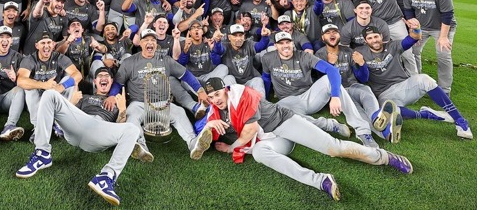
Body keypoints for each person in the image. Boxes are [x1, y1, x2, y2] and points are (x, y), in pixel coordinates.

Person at [192, 78, 413, 201]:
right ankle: (321, 181)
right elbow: (203, 132)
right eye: (211, 97)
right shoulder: (215, 109)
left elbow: (249, 131)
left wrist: (231, 148)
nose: (215, 100)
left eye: (218, 94)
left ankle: (384, 157)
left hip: (284, 123)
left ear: (227, 90)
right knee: (259, 154)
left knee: (333, 149)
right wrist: (209, 125)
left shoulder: (244, 94)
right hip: (271, 140)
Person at [15, 67, 147, 206]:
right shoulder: (84, 97)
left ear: (111, 81)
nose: (103, 77)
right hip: (78, 125)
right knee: (50, 94)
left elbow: (120, 129)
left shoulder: (116, 102)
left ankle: (106, 177)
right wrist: (72, 102)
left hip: (100, 131)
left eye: (107, 76)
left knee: (132, 129)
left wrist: (122, 110)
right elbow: (64, 119)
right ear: (95, 81)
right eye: (100, 75)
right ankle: (42, 153)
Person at [106, 28, 210, 160]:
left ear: (156, 44)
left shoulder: (165, 60)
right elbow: (118, 83)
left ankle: (193, 143)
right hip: (139, 103)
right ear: (141, 43)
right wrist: (111, 95)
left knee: (179, 112)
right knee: (131, 117)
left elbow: (185, 74)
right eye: (146, 40)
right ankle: (141, 147)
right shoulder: (129, 62)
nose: (150, 43)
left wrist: (200, 90)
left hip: (163, 103)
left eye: (153, 40)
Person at [354, 25, 472, 140]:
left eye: (376, 36)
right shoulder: (359, 53)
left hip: (405, 86)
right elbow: (363, 79)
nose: (374, 40)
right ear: (365, 40)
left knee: (425, 79)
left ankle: (460, 121)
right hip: (384, 94)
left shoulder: (393, 45)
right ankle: (426, 114)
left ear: (381, 36)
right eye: (370, 38)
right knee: (390, 113)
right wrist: (362, 64)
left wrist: (416, 28)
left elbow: (412, 39)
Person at [261, 31, 377, 147]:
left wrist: (335, 96)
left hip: (310, 97)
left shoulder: (304, 56)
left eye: (288, 42)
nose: (285, 45)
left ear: (293, 43)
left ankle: (363, 132)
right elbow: (266, 79)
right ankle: (329, 125)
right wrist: (265, 100)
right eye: (281, 43)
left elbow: (332, 71)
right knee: (283, 114)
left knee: (329, 79)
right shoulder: (268, 58)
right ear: (276, 46)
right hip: (288, 101)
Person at [17, 31, 83, 139]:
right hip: (38, 97)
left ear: (53, 44)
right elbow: (20, 81)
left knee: (69, 80)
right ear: (37, 45)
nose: (46, 46)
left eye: (49, 42)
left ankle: (59, 123)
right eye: (43, 43)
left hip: (55, 92)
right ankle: (38, 126)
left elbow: (78, 75)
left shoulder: (59, 57)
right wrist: (44, 85)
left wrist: (62, 87)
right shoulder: (29, 59)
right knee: (28, 87)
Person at [403, 0, 457, 94]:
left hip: (441, 27)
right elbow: (409, 11)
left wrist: (443, 37)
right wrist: (414, 31)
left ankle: (444, 90)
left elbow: (447, 14)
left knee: (443, 54)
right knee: (413, 51)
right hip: (422, 27)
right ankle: (417, 82)